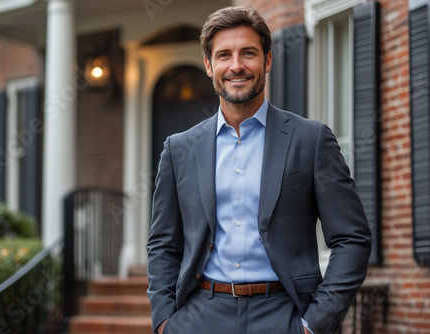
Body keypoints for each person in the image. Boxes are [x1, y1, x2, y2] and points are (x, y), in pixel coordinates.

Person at [147, 5, 372, 334]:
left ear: (267, 60)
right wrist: (166, 321)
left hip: (284, 314)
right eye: (224, 55)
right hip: (201, 316)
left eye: (248, 53)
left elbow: (352, 238)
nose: (236, 66)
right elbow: (163, 244)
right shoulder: (179, 149)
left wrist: (314, 324)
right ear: (209, 66)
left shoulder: (310, 140)